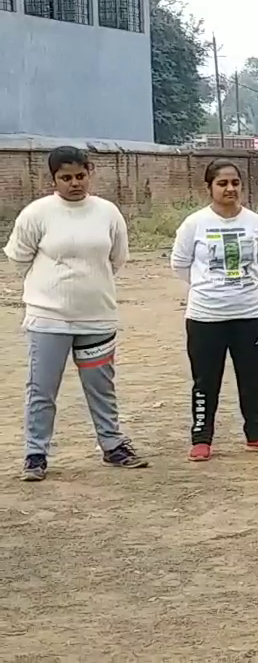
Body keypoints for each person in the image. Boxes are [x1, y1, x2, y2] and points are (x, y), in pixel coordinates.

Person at [4, 146, 147, 481]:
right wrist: (49, 289)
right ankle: (36, 454)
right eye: (65, 178)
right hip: (48, 319)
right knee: (42, 388)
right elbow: (18, 258)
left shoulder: (107, 213)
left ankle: (113, 446)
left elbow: (117, 258)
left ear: (90, 171)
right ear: (52, 178)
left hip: (97, 316)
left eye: (80, 176)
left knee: (100, 385)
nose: (74, 184)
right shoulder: (36, 214)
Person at [170, 159, 258, 461]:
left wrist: (240, 288)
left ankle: (257, 434)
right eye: (222, 183)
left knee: (252, 377)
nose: (230, 189)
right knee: (205, 379)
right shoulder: (194, 224)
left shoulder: (255, 222)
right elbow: (180, 264)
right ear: (208, 187)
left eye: (235, 183)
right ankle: (201, 438)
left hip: (250, 313)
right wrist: (207, 287)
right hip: (206, 315)